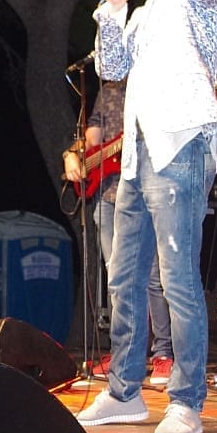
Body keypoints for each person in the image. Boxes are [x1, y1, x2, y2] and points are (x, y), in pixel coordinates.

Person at [71, 0, 217, 433]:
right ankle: (125, 392)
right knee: (124, 277)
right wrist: (112, 11)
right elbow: (111, 69)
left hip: (180, 144)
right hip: (137, 155)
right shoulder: (143, 13)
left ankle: (187, 399)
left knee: (177, 275)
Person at [63, 78, 174, 385]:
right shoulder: (109, 87)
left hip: (145, 190)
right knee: (117, 278)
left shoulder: (156, 82)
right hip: (108, 194)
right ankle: (123, 352)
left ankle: (163, 353)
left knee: (152, 277)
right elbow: (94, 133)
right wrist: (72, 155)